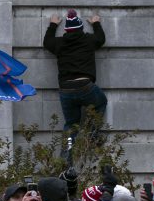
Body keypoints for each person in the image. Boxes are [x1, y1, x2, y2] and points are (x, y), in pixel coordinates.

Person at [43, 9, 107, 156]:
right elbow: (101, 39)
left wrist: (52, 25)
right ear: (81, 28)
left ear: (66, 30)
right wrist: (96, 23)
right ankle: (92, 135)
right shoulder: (88, 40)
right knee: (101, 102)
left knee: (71, 125)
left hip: (66, 89)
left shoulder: (59, 43)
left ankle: (66, 162)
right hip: (85, 86)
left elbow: (47, 42)